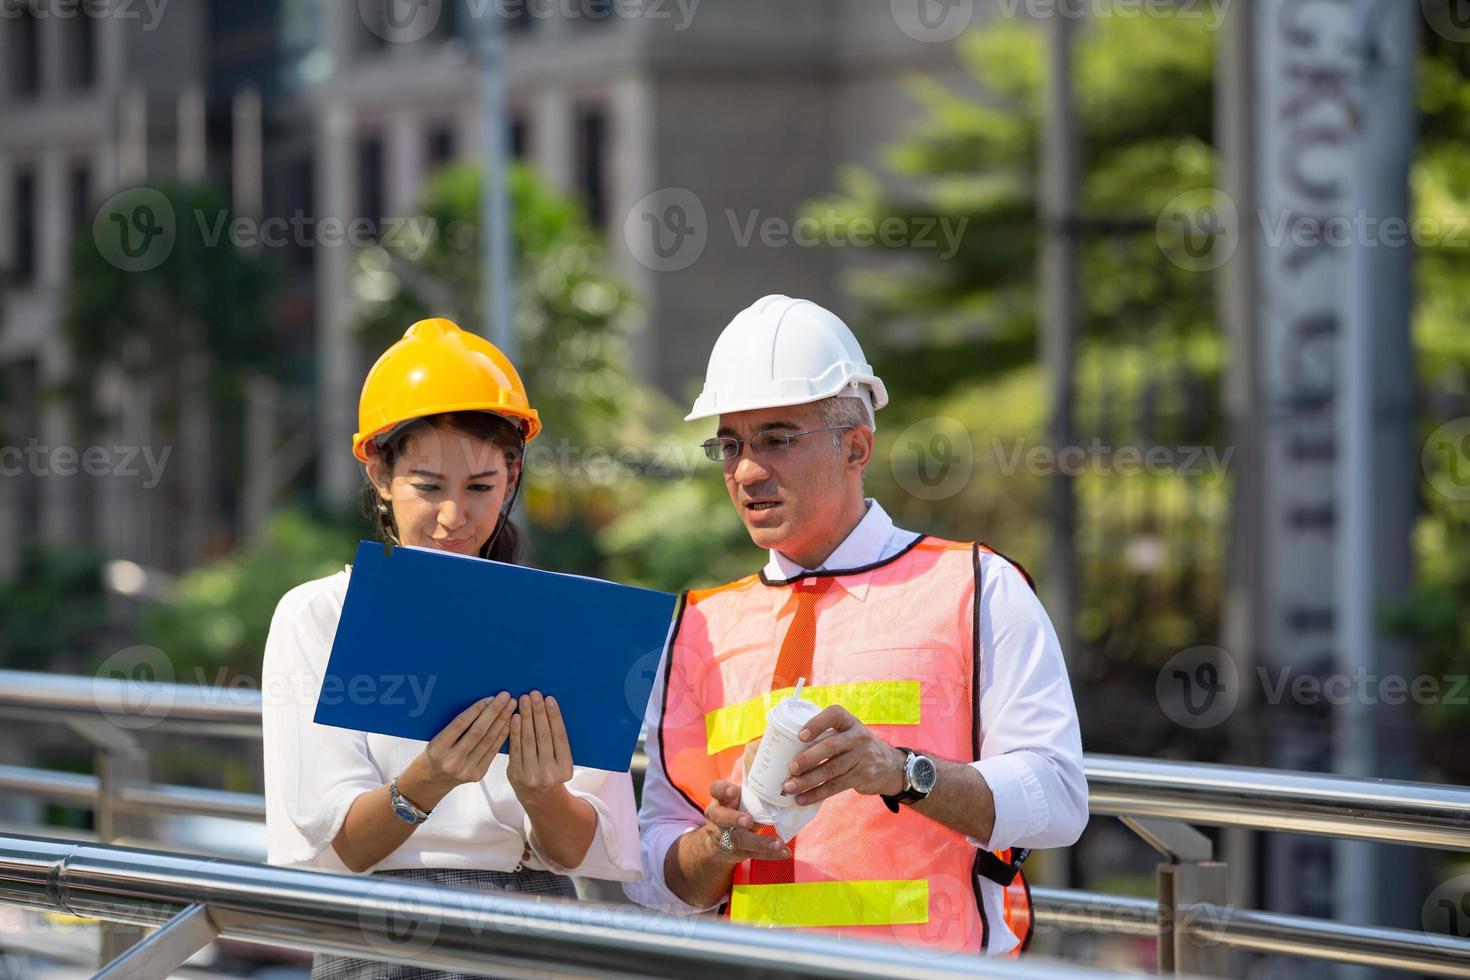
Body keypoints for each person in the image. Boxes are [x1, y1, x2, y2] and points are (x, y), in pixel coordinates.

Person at [625, 295, 1087, 957]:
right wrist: (717, 843)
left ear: (856, 446)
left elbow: (1059, 802)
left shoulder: (978, 589)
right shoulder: (698, 625)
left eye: (778, 439)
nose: (748, 470)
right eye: (730, 445)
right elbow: (658, 879)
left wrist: (899, 772)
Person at [262, 318, 640, 980]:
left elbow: (579, 850)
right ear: (380, 475)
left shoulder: (565, 623)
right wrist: (427, 781)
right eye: (427, 486)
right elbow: (340, 849)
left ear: (512, 476)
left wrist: (541, 793)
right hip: (382, 937)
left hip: (541, 932)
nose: (452, 517)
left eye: (480, 488)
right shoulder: (318, 617)